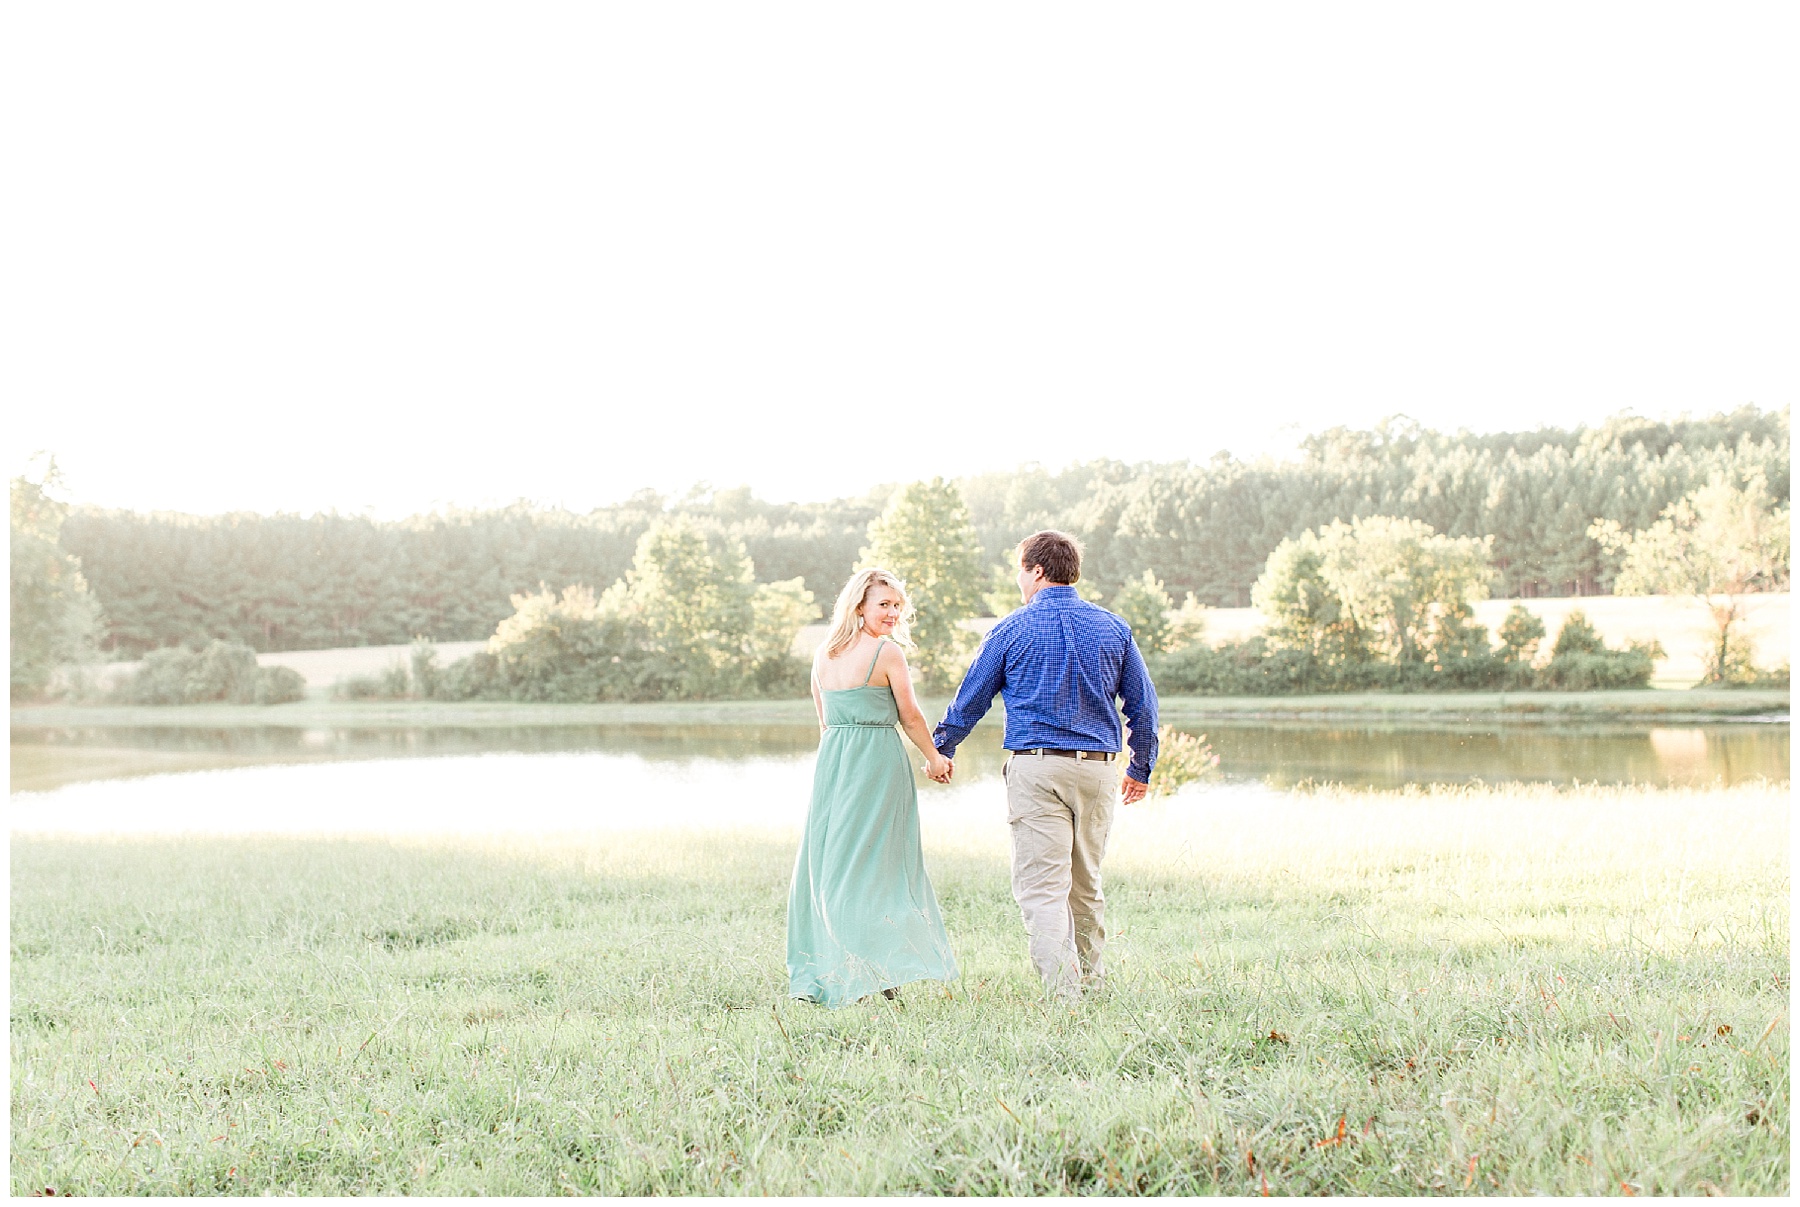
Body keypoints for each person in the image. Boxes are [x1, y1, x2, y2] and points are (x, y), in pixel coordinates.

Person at [932, 530, 1158, 1001]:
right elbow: (1143, 707)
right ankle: (1092, 987)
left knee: (1042, 888)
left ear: (1036, 570)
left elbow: (970, 699)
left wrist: (942, 748)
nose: (1019, 579)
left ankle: (1065, 998)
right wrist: (1141, 766)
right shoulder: (1114, 627)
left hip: (1037, 768)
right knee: (1085, 884)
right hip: (1097, 768)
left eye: (1020, 570)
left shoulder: (1012, 628)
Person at [786, 567, 959, 1008]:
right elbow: (912, 716)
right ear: (858, 605)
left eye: (898, 605)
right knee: (880, 869)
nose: (893, 613)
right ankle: (878, 972)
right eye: (884, 604)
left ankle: (845, 967)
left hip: (835, 763)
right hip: (876, 763)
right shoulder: (886, 653)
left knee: (835, 865)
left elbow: (825, 722)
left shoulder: (823, 654)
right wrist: (934, 758)